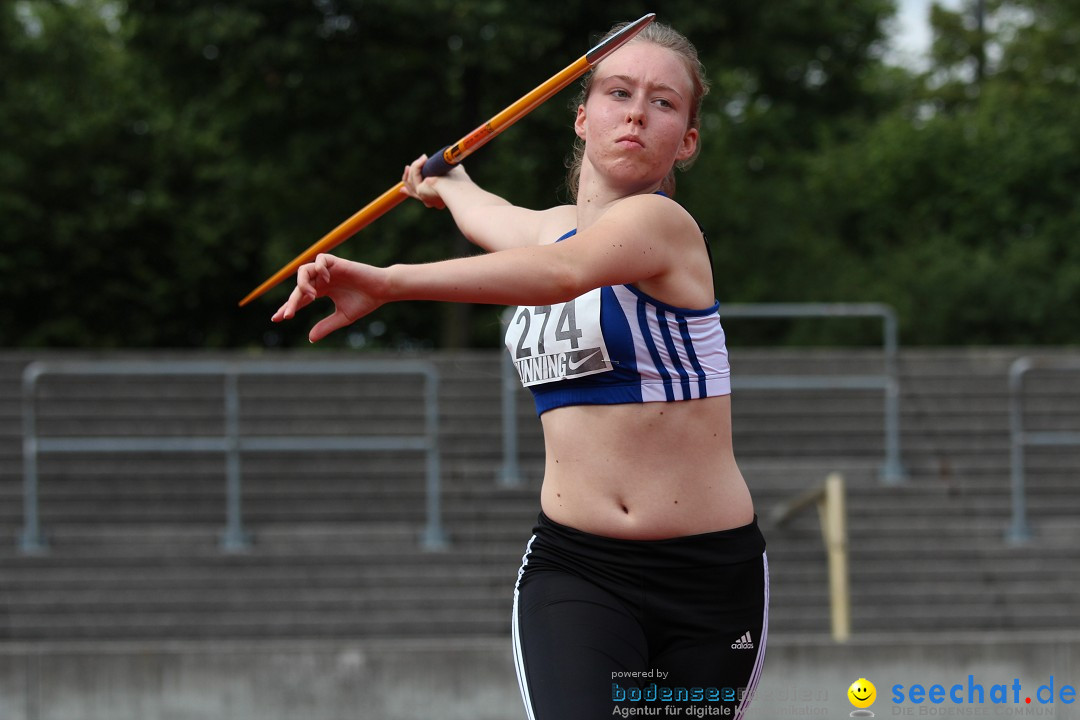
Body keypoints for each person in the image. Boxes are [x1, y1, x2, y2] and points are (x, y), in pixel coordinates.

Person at [272, 20, 768, 720]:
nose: (636, 111)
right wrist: (445, 180)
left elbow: (562, 273)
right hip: (578, 570)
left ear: (686, 139)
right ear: (582, 116)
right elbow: (491, 217)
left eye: (663, 103)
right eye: (619, 92)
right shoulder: (550, 227)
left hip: (710, 582)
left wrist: (388, 282)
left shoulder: (663, 228)